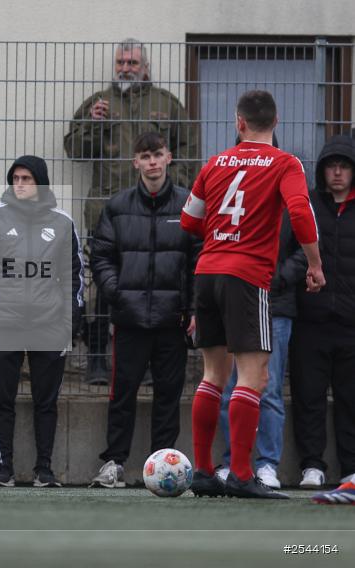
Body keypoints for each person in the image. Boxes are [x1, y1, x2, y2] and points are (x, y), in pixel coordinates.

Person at [180, 90, 324, 499]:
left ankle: (205, 472)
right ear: (276, 124)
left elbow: (189, 221)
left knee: (212, 375)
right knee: (255, 376)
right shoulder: (285, 163)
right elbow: (300, 212)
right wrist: (314, 264)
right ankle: (242, 474)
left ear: (238, 123)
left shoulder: (215, 162)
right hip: (246, 277)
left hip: (207, 273)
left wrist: (222, 232)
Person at [64, 38, 199, 385]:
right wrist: (93, 124)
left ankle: (154, 363)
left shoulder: (167, 105)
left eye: (133, 63)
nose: (126, 68)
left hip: (157, 213)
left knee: (155, 282)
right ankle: (96, 358)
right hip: (105, 211)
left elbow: (189, 151)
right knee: (99, 287)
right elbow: (74, 150)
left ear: (146, 67)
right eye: (121, 62)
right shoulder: (98, 104)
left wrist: (173, 186)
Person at [89, 132, 200, 488]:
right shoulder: (118, 206)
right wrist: (116, 292)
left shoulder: (189, 205)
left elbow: (199, 259)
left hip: (173, 320)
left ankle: (163, 464)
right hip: (130, 319)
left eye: (157, 155)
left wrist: (194, 306)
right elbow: (101, 256)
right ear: (135, 162)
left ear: (169, 158)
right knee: (122, 393)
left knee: (168, 395)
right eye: (144, 156)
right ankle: (114, 463)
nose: (152, 162)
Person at [0, 156, 83, 487]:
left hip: (49, 326)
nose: (19, 183)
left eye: (27, 178)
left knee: (46, 401)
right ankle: (5, 469)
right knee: (2, 399)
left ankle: (44, 469)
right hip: (4, 324)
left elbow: (75, 276)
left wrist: (70, 323)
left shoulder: (62, 222)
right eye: (15, 177)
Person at [214, 212, 305, 490]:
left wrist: (276, 277)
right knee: (231, 388)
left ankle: (267, 465)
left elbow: (306, 249)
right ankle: (232, 462)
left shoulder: (292, 207)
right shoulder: (240, 201)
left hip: (275, 306)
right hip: (237, 303)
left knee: (270, 388)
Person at [288, 134, 355, 490]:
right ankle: (312, 466)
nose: (338, 173)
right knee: (308, 396)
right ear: (322, 171)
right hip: (310, 321)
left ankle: (351, 468)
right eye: (332, 166)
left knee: (350, 399)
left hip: (350, 324)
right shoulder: (308, 207)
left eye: (344, 166)